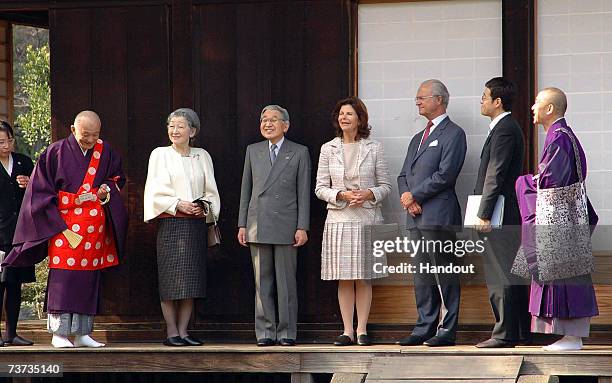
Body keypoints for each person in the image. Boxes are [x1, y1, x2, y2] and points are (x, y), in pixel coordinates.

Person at [3, 110, 128, 348]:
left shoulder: (106, 151)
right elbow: (39, 192)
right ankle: (59, 333)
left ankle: (83, 333)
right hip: (64, 225)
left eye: (95, 135)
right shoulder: (55, 152)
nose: (90, 140)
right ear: (72, 130)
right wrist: (57, 224)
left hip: (93, 224)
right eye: (85, 135)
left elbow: (116, 178)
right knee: (64, 275)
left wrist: (105, 189)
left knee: (89, 277)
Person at [515, 87, 598, 351]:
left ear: (550, 109)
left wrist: (525, 182)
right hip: (566, 218)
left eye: (537, 102)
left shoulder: (560, 138)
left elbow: (551, 183)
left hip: (560, 220)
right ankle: (568, 336)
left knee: (564, 278)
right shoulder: (561, 136)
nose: (532, 107)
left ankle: (572, 337)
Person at [315, 97, 391, 346]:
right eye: (340, 114)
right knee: (344, 276)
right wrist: (340, 195)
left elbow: (386, 186)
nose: (343, 118)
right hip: (339, 218)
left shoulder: (374, 147)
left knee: (364, 276)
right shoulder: (328, 148)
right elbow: (320, 188)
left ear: (360, 119)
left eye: (349, 114)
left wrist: (369, 193)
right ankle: (347, 330)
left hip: (367, 218)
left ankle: (362, 330)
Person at [396, 79, 467, 347]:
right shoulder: (418, 138)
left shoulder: (454, 133)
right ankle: (424, 326)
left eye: (422, 97)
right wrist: (407, 197)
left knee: (444, 272)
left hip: (439, 215)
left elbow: (446, 175)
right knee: (422, 274)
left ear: (439, 100)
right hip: (415, 216)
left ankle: (446, 330)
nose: (417, 101)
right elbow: (403, 174)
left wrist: (416, 195)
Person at [144, 108, 220, 347]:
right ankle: (171, 332)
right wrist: (178, 204)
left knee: (191, 280)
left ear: (193, 131)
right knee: (170, 281)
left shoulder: (202, 155)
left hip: (195, 225)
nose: (174, 130)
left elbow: (212, 191)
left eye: (180, 126)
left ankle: (185, 331)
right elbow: (154, 191)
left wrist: (203, 206)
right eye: (171, 125)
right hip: (171, 223)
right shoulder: (160, 154)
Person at [237, 104, 311, 347]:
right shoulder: (253, 150)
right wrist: (242, 224)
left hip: (287, 225)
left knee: (286, 284)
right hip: (257, 224)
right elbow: (245, 190)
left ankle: (287, 332)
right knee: (262, 283)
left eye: (273, 120)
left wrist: (302, 226)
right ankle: (265, 332)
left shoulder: (299, 152)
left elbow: (303, 193)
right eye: (263, 120)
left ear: (286, 126)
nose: (267, 124)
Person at [473, 77, 530, 348]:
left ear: (498, 101)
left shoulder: (504, 128)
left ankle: (504, 333)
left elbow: (496, 173)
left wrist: (484, 213)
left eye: (485, 96)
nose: (481, 100)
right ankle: (516, 331)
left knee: (500, 273)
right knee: (509, 272)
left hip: (500, 213)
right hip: (504, 212)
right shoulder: (503, 127)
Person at [0, 121, 35, 346]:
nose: (4, 146)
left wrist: (30, 183)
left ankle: (11, 333)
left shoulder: (24, 162)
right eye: (0, 142)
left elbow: (41, 189)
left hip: (20, 232)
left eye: (7, 141)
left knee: (15, 284)